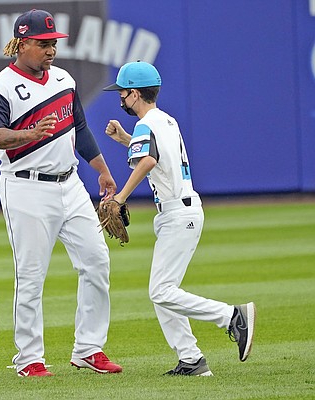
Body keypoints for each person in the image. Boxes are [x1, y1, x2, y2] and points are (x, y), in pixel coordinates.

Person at [0, 9, 122, 377]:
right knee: (31, 274)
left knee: (97, 262)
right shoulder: (0, 87)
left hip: (71, 184)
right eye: (43, 44)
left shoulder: (63, 79)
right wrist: (29, 134)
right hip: (24, 186)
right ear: (22, 43)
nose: (50, 50)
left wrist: (102, 171)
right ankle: (29, 359)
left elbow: (81, 127)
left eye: (53, 43)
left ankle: (88, 348)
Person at [103, 61, 256, 376]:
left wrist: (120, 198)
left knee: (161, 291)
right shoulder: (164, 121)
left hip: (178, 212)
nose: (119, 98)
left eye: (122, 92)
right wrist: (124, 139)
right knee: (162, 291)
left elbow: (147, 160)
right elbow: (156, 154)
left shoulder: (149, 125)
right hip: (181, 210)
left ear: (134, 93)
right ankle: (191, 360)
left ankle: (231, 316)